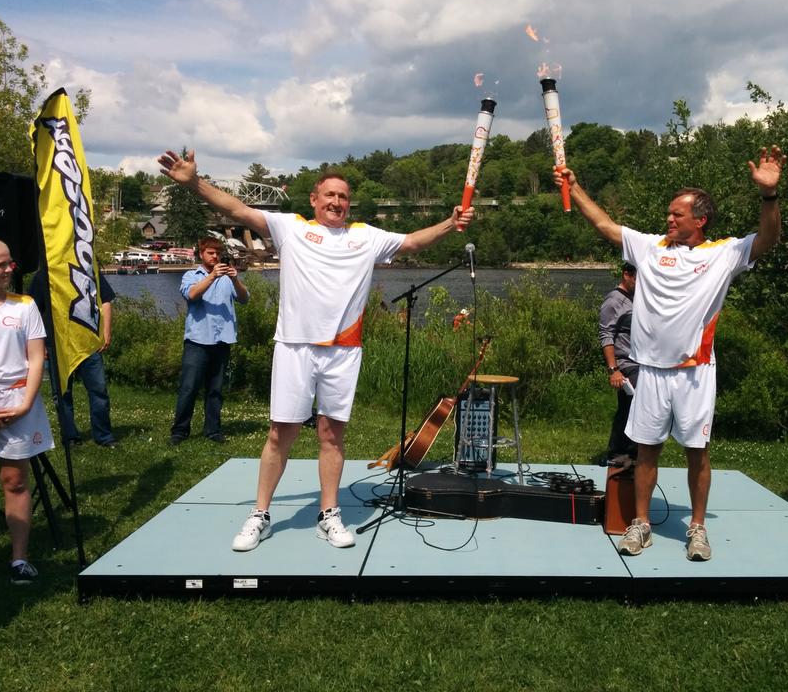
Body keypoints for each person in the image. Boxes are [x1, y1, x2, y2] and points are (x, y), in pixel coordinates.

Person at [157, 149, 474, 552]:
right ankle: (260, 514)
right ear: (314, 199)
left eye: (343, 196)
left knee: (331, 434)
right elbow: (237, 210)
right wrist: (194, 184)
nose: (336, 202)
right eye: (330, 195)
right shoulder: (289, 227)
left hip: (343, 350)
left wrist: (450, 223)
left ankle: (329, 514)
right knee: (280, 434)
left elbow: (411, 242)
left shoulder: (366, 236)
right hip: (295, 347)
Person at [555, 146, 783, 561]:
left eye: (677, 214)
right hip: (651, 372)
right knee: (646, 449)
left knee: (697, 452)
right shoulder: (649, 248)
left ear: (700, 220)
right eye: (668, 213)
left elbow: (768, 239)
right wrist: (575, 186)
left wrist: (769, 195)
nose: (669, 219)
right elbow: (604, 224)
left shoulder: (723, 253)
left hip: (695, 371)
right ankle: (640, 524)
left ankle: (697, 528)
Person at [0, 238, 54, 584]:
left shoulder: (25, 305)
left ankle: (19, 558)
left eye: (10, 262)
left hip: (18, 402)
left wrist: (26, 403)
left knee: (14, 480)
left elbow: (36, 357)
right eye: (1, 264)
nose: (10, 269)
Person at [169, 237, 250, 446]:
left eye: (217, 253)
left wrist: (235, 280)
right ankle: (180, 431)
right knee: (189, 388)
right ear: (201, 254)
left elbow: (244, 299)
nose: (215, 257)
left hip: (222, 340)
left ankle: (213, 430)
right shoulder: (191, 276)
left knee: (215, 390)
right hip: (197, 341)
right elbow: (192, 295)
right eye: (210, 253)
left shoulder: (227, 278)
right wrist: (213, 276)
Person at [28, 269, 117, 448]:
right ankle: (70, 437)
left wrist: (106, 331)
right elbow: (33, 310)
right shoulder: (45, 273)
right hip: (57, 345)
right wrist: (40, 343)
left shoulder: (88, 268)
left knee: (99, 390)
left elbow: (105, 300)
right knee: (62, 394)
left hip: (88, 342)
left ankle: (104, 436)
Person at [599, 262, 637, 466]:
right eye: (639, 279)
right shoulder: (614, 300)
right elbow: (606, 335)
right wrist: (613, 370)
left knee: (636, 406)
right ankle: (618, 452)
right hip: (625, 363)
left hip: (641, 362)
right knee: (630, 405)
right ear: (626, 275)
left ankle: (633, 454)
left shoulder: (635, 298)